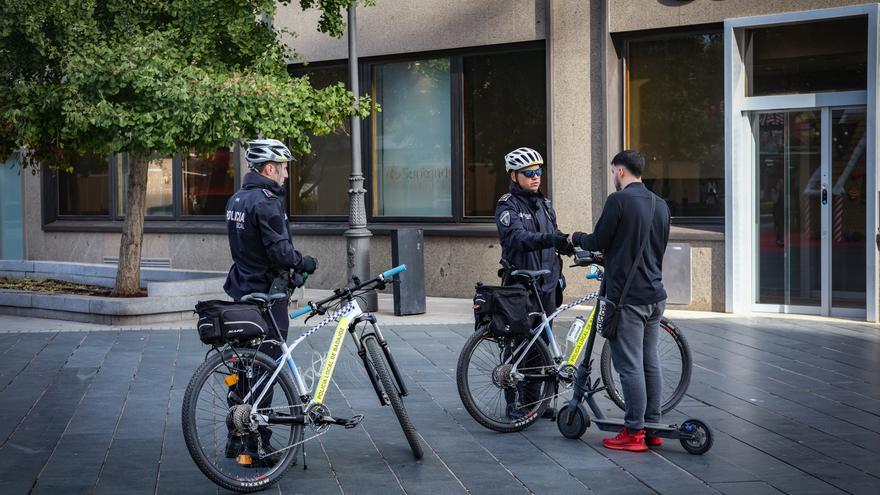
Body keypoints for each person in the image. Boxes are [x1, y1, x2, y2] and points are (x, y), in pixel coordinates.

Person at [567, 149, 671, 452]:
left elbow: (599, 240)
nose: (614, 176)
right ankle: (653, 427)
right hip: (655, 295)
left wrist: (576, 238)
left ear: (621, 171)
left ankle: (634, 432)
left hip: (628, 298)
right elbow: (656, 247)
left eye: (614, 171)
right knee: (649, 361)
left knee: (628, 365)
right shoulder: (660, 205)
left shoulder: (618, 201)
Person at [223, 138, 318, 465]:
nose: (287, 175)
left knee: (246, 370)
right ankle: (257, 446)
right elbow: (279, 252)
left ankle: (237, 439)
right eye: (284, 168)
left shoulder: (237, 199)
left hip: (241, 292)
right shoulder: (266, 202)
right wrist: (303, 261)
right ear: (269, 168)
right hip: (267, 298)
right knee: (267, 370)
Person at [495, 147, 572, 420]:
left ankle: (537, 403)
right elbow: (518, 238)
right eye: (529, 173)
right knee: (519, 348)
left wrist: (571, 244)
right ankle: (514, 402)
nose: (536, 177)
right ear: (514, 176)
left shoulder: (545, 205)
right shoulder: (507, 205)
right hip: (521, 287)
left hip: (548, 286)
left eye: (539, 172)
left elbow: (554, 238)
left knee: (543, 348)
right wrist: (550, 239)